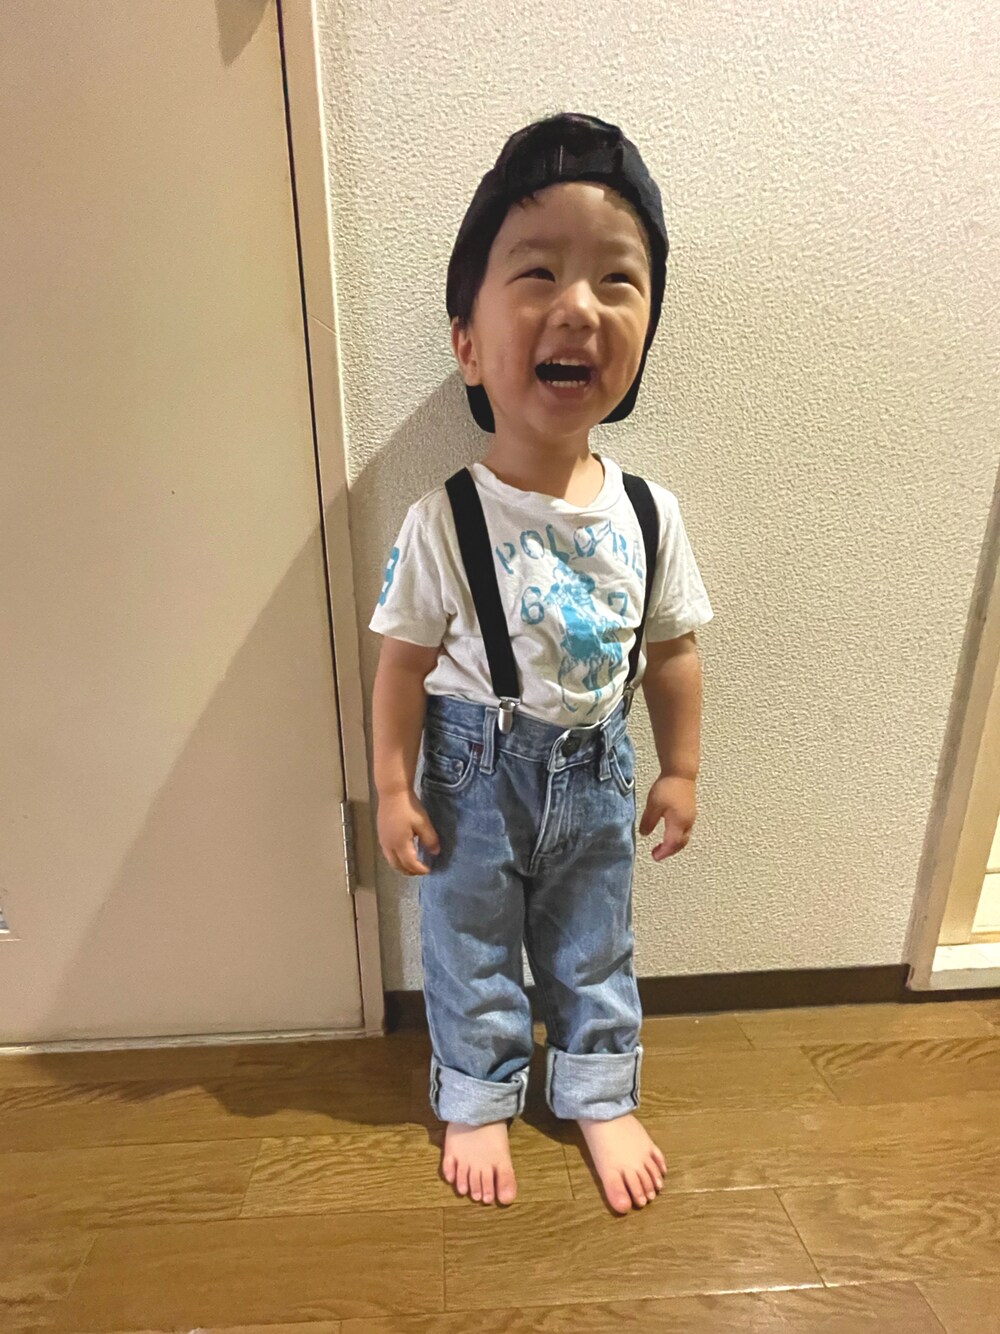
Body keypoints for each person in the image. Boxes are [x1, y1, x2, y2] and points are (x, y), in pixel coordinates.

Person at [369, 112, 713, 1214]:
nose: (580, 306)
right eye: (537, 273)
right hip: (471, 777)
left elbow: (673, 650)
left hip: (599, 772)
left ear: (644, 335)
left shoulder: (650, 515)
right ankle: (476, 1093)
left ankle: (598, 1089)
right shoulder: (442, 519)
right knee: (469, 941)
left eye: (617, 279)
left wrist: (681, 767)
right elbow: (400, 666)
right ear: (467, 342)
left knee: (594, 937)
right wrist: (390, 786)